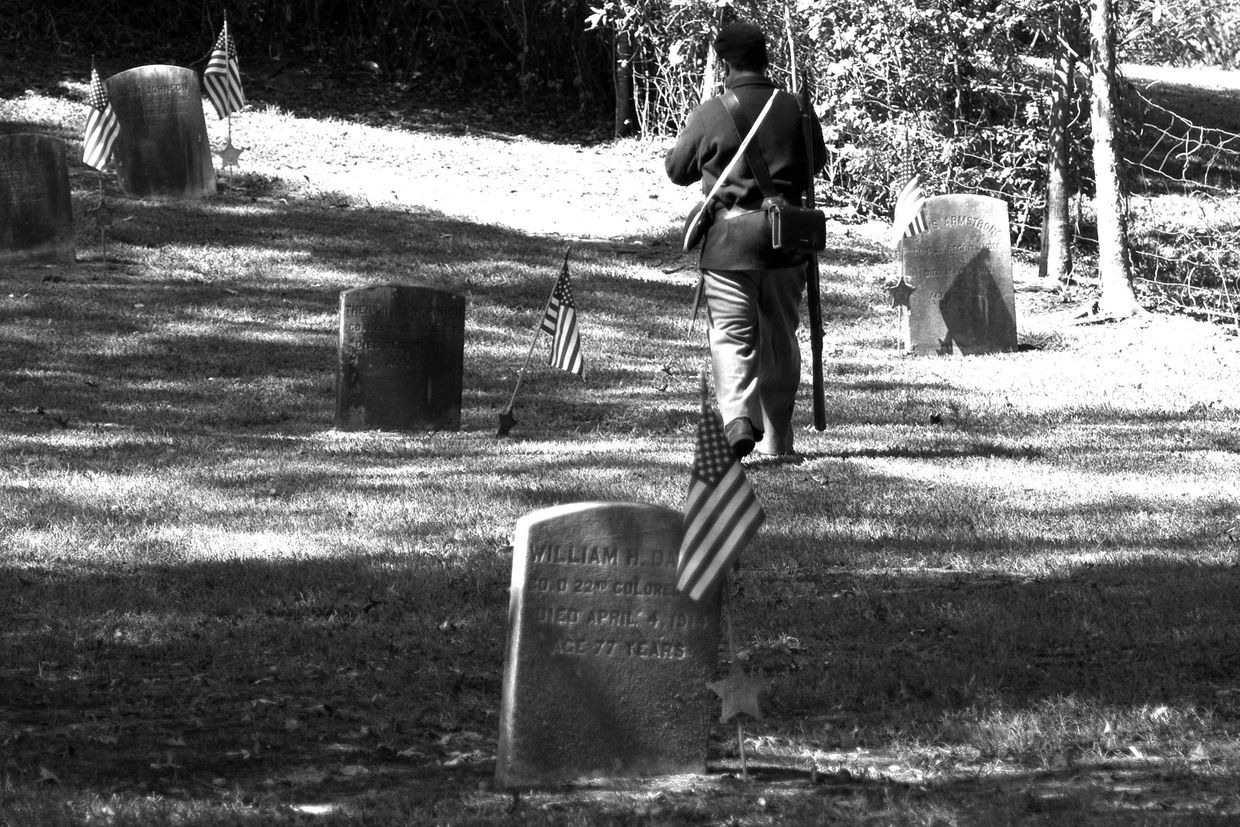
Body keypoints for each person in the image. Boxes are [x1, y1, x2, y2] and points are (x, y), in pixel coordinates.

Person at [666, 21, 826, 459]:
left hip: (729, 244)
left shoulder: (710, 111)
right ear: (765, 59)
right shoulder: (796, 107)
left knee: (730, 335)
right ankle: (777, 441)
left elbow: (677, 170)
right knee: (780, 339)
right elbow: (817, 163)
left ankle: (738, 418)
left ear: (724, 65)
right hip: (787, 239)